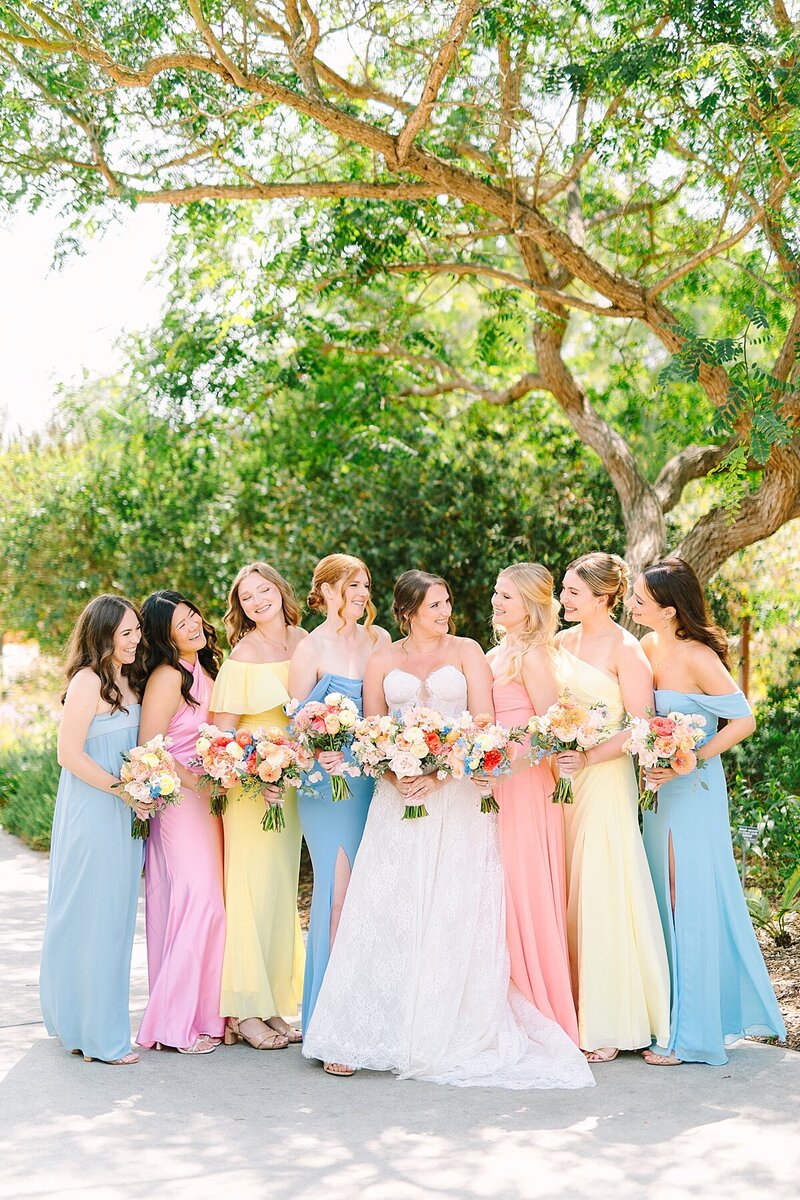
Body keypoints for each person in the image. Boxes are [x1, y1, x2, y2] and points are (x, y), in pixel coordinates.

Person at [303, 569, 593, 1089]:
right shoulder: (382, 660)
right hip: (397, 801)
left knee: (454, 907)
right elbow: (371, 734)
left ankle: (443, 1027)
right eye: (435, 604)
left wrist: (438, 775)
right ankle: (357, 1032)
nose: (446, 612)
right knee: (388, 906)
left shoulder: (467, 652)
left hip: (457, 796)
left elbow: (482, 725)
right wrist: (396, 773)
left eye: (447, 602)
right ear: (408, 611)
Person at [628, 557, 786, 1065]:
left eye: (640, 598)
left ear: (669, 610)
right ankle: (667, 1017)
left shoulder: (698, 657)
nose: (632, 603)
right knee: (662, 897)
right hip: (657, 790)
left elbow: (744, 721)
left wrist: (688, 759)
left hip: (693, 787)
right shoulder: (646, 647)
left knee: (687, 898)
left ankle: (692, 1036)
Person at [555, 551, 670, 1063]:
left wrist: (588, 755)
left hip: (604, 778)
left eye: (573, 592)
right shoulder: (560, 643)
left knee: (601, 886)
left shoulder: (627, 649)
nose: (563, 598)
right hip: (563, 780)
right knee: (568, 887)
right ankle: (570, 1007)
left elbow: (641, 726)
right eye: (564, 589)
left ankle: (609, 1020)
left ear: (603, 597)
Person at [287, 554, 390, 1068]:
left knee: (372, 896)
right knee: (336, 894)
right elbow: (294, 725)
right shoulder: (310, 647)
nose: (362, 593)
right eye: (352, 585)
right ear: (327, 590)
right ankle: (330, 1027)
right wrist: (315, 748)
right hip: (326, 786)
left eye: (366, 585)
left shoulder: (380, 640)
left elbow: (388, 711)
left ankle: (369, 1019)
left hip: (373, 779)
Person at [39, 594, 148, 1065]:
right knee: (92, 915)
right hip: (94, 809)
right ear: (102, 635)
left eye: (137, 630)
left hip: (126, 811)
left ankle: (82, 1022)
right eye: (126, 632)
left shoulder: (130, 678)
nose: (135, 639)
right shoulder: (87, 681)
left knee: (115, 918)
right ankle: (99, 1037)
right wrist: (123, 790)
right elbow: (68, 754)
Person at [211, 562, 307, 1050]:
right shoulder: (243, 654)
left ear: (280, 590)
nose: (256, 601)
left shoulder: (304, 641)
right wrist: (256, 773)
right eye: (246, 597)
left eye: (263, 590)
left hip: (290, 786)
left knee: (278, 891)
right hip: (251, 791)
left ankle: (271, 1004)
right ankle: (244, 1011)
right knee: (249, 889)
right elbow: (221, 735)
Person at [487, 563, 579, 1044]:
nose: (497, 601)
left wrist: (507, 767)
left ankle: (540, 1002)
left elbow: (552, 733)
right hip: (494, 784)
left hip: (525, 786)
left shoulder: (536, 656)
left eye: (507, 596)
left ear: (530, 606)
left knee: (525, 887)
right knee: (498, 889)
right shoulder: (495, 653)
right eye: (497, 592)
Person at [136, 591, 226, 1055]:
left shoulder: (205, 669)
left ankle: (207, 1016)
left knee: (214, 905)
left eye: (192, 615)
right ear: (164, 636)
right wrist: (197, 782)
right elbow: (150, 747)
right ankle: (174, 1024)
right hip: (180, 801)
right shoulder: (168, 676)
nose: (192, 625)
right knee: (200, 902)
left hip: (211, 800)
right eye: (180, 623)